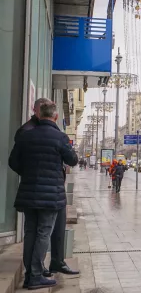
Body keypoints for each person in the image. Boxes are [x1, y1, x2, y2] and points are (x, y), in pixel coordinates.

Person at [9, 101, 79, 289]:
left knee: (31, 231)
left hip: (29, 192)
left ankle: (31, 273)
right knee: (43, 233)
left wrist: (29, 173)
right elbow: (72, 160)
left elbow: (13, 162)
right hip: (51, 195)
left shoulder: (26, 136)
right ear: (55, 117)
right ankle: (36, 275)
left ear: (38, 115)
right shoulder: (60, 137)